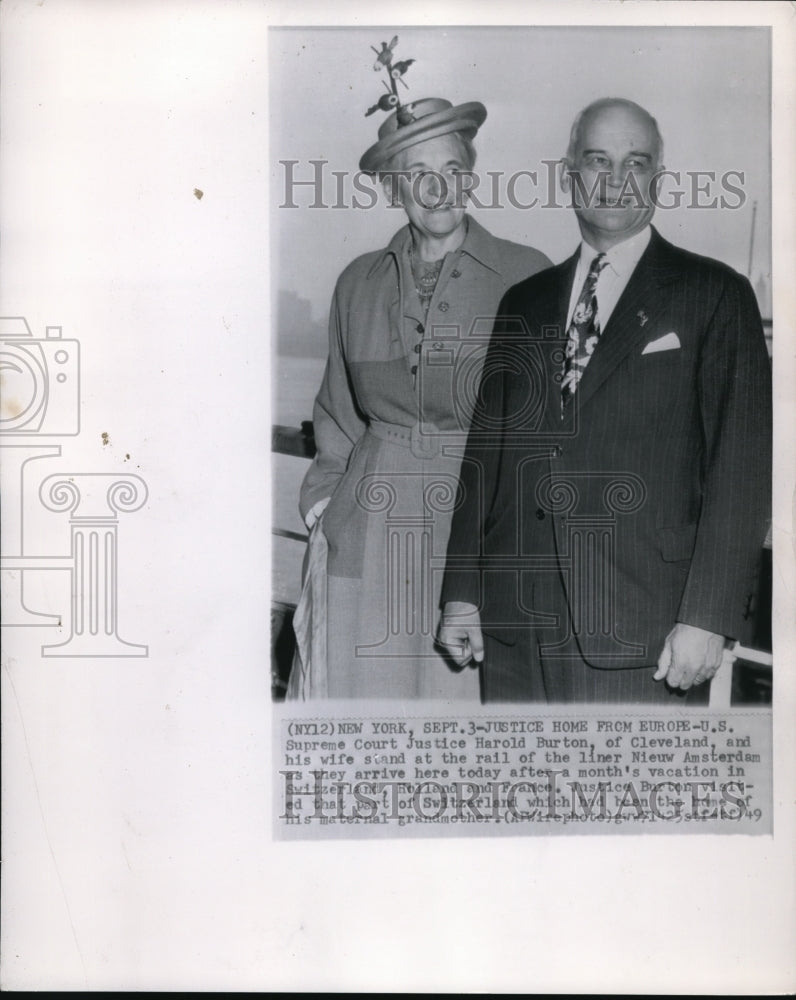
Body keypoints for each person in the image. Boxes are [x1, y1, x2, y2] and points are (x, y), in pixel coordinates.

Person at [438, 97, 772, 703]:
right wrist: (461, 592)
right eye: (598, 160)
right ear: (571, 175)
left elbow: (742, 473)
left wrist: (708, 617)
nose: (616, 180)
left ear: (658, 181)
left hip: (646, 634)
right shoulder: (524, 302)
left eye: (635, 162)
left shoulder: (716, 295)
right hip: (515, 631)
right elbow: (483, 459)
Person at [291, 95, 551, 699]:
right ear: (391, 189)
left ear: (472, 175)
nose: (438, 191)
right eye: (417, 176)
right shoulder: (356, 281)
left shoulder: (528, 276)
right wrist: (323, 509)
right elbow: (336, 415)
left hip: (473, 537)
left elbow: (544, 437)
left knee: (458, 725)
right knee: (362, 711)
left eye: (452, 172)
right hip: (366, 534)